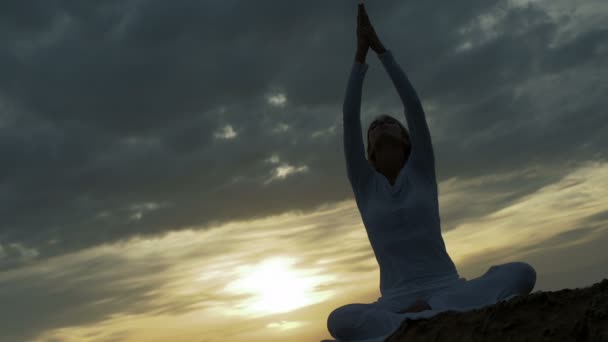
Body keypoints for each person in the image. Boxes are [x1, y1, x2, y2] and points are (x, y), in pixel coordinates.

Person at [323, 3, 537, 341]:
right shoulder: (366, 187)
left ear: (406, 140)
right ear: (370, 154)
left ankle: (425, 315)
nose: (380, 124)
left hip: (447, 287)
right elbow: (350, 118)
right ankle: (427, 317)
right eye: (375, 127)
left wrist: (381, 52)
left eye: (389, 122)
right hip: (395, 302)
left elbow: (413, 106)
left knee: (522, 273)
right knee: (338, 320)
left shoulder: (421, 171)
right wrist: (358, 58)